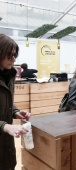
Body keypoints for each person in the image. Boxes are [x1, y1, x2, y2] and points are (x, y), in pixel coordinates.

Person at [0, 34, 31, 169]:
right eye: (9, 55)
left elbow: (5, 102)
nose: (13, 59)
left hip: (5, 143)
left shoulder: (9, 74)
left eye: (15, 55)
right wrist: (4, 126)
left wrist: (15, 111)